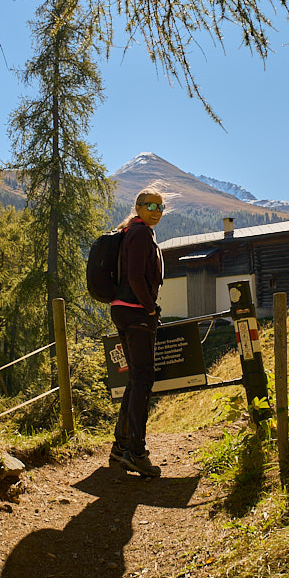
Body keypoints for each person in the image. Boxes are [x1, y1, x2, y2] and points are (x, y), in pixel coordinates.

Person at [109, 188, 166, 478]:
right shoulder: (142, 234)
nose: (156, 210)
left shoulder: (129, 231)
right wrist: (150, 308)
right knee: (144, 379)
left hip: (121, 310)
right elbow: (134, 275)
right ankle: (136, 451)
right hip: (136, 312)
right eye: (151, 205)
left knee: (135, 377)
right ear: (138, 207)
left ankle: (121, 446)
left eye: (161, 206)